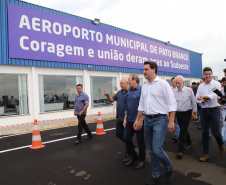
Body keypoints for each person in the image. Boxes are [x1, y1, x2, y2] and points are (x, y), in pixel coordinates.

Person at [134, 61, 176, 184]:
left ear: (154, 69)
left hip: (160, 119)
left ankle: (168, 168)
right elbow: (141, 105)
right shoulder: (145, 86)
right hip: (147, 120)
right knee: (151, 150)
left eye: (146, 69)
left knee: (157, 149)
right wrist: (137, 120)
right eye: (143, 69)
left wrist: (171, 121)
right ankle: (156, 175)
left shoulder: (163, 84)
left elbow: (172, 103)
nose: (144, 72)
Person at [196, 67, 225, 162]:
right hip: (204, 111)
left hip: (214, 110)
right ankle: (206, 153)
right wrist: (201, 100)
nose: (208, 75)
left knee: (215, 131)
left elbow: (214, 95)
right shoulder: (201, 86)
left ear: (211, 74)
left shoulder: (216, 83)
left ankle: (220, 144)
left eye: (209, 74)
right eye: (206, 74)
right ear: (203, 75)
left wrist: (204, 97)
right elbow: (197, 98)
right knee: (204, 132)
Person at [123, 74, 146, 169]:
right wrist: (125, 118)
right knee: (126, 138)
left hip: (139, 121)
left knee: (140, 141)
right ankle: (133, 155)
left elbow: (145, 106)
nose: (128, 82)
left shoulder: (142, 90)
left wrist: (140, 120)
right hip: (129, 120)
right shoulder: (128, 91)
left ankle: (142, 159)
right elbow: (127, 106)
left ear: (135, 80)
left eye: (129, 80)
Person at [104, 78, 129, 163]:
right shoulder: (119, 93)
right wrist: (107, 95)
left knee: (126, 137)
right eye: (120, 83)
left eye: (122, 83)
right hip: (119, 118)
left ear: (127, 83)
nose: (120, 85)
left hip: (127, 120)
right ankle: (130, 146)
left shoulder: (130, 93)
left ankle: (128, 153)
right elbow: (111, 100)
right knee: (118, 134)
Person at [173, 76, 197, 159]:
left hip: (186, 113)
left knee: (182, 131)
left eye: (179, 82)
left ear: (183, 82)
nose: (177, 84)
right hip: (178, 113)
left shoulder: (189, 90)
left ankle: (180, 151)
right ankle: (189, 142)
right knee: (184, 129)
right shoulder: (173, 91)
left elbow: (193, 102)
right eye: (176, 83)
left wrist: (194, 112)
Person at [171, 77, 180, 142]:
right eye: (172, 81)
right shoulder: (169, 89)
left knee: (177, 122)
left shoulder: (179, 89)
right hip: (172, 108)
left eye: (174, 81)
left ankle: (176, 134)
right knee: (173, 121)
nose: (173, 82)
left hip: (178, 108)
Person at [220, 77, 226, 147]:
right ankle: (222, 140)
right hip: (224, 109)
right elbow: (219, 99)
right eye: (223, 83)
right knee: (224, 124)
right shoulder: (222, 90)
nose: (224, 84)